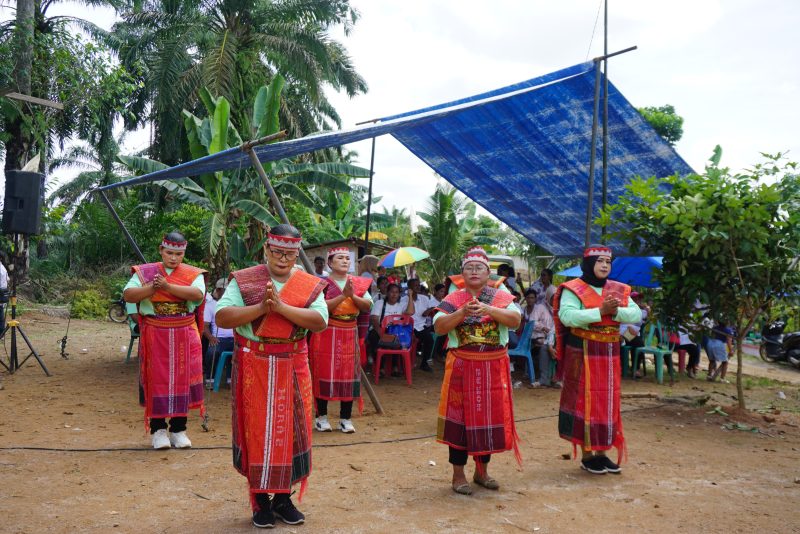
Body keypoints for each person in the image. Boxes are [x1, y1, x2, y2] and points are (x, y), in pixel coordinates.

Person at [215, 224, 328, 528]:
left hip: (293, 363)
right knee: (257, 430)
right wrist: (261, 308)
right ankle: (259, 500)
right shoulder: (246, 280)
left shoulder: (308, 284)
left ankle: (282, 498)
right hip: (255, 363)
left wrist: (281, 307)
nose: (282, 258)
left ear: (297, 254)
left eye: (289, 254)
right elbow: (222, 316)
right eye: (277, 252)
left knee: (291, 430)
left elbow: (320, 320)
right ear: (266, 249)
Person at [433, 246, 522, 495]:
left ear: (487, 273)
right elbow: (439, 327)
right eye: (469, 267)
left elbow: (515, 320)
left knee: (488, 419)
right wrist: (462, 312)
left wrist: (489, 310)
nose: (474, 271)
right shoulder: (454, 298)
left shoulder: (500, 296)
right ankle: (458, 474)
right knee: (459, 421)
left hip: (492, 366)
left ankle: (481, 472)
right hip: (462, 365)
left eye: (479, 267)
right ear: (462, 274)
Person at [554, 244, 641, 475]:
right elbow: (567, 317)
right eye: (599, 261)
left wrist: (614, 312)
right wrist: (600, 311)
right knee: (584, 400)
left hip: (609, 353)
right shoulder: (573, 289)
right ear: (589, 264)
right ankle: (587, 455)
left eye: (608, 262)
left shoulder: (618, 289)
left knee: (607, 401)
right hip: (582, 351)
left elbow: (635, 313)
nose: (604, 265)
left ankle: (602, 453)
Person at [123, 231, 207, 450]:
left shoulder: (193, 273)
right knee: (156, 379)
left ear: (184, 254)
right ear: (161, 250)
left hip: (184, 332)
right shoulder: (145, 272)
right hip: (156, 332)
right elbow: (129, 295)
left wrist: (167, 287)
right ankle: (158, 430)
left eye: (178, 254)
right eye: (169, 253)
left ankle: (179, 429)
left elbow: (197, 295)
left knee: (183, 379)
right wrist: (153, 287)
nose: (174, 258)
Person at [310, 246, 373, 434]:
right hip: (327, 331)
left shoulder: (358, 283)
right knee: (323, 373)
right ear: (330, 263)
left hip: (349, 332)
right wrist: (343, 296)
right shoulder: (321, 284)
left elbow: (367, 305)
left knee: (349, 375)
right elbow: (321, 307)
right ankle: (321, 418)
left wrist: (352, 295)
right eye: (340, 258)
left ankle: (345, 419)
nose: (345, 261)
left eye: (347, 258)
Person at [368, 283, 414, 376]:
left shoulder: (400, 305)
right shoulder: (379, 303)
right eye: (392, 292)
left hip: (394, 331)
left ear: (399, 294)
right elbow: (374, 319)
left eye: (396, 292)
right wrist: (381, 334)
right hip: (379, 330)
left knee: (398, 338)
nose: (394, 294)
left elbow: (410, 312)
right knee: (373, 337)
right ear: (387, 293)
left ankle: (395, 367)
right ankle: (380, 368)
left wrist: (410, 296)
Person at [202, 278, 234, 388]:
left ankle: (231, 380)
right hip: (218, 339)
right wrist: (211, 337)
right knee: (212, 352)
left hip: (234, 338)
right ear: (219, 290)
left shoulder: (235, 303)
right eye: (225, 290)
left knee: (240, 352)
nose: (228, 292)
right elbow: (205, 326)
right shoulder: (210, 305)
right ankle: (210, 379)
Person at [530, 287, 556, 387]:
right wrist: (543, 328)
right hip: (538, 336)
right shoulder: (540, 307)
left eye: (557, 298)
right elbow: (532, 322)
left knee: (556, 346)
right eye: (553, 297)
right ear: (548, 297)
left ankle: (555, 377)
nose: (555, 300)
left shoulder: (557, 310)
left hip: (550, 337)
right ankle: (544, 378)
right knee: (545, 347)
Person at [407, 278, 433, 372]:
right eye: (415, 285)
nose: (418, 287)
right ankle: (404, 363)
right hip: (408, 327)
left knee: (429, 339)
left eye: (419, 285)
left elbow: (430, 310)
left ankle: (424, 363)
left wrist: (429, 310)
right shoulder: (403, 299)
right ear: (409, 288)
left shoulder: (424, 298)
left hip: (421, 326)